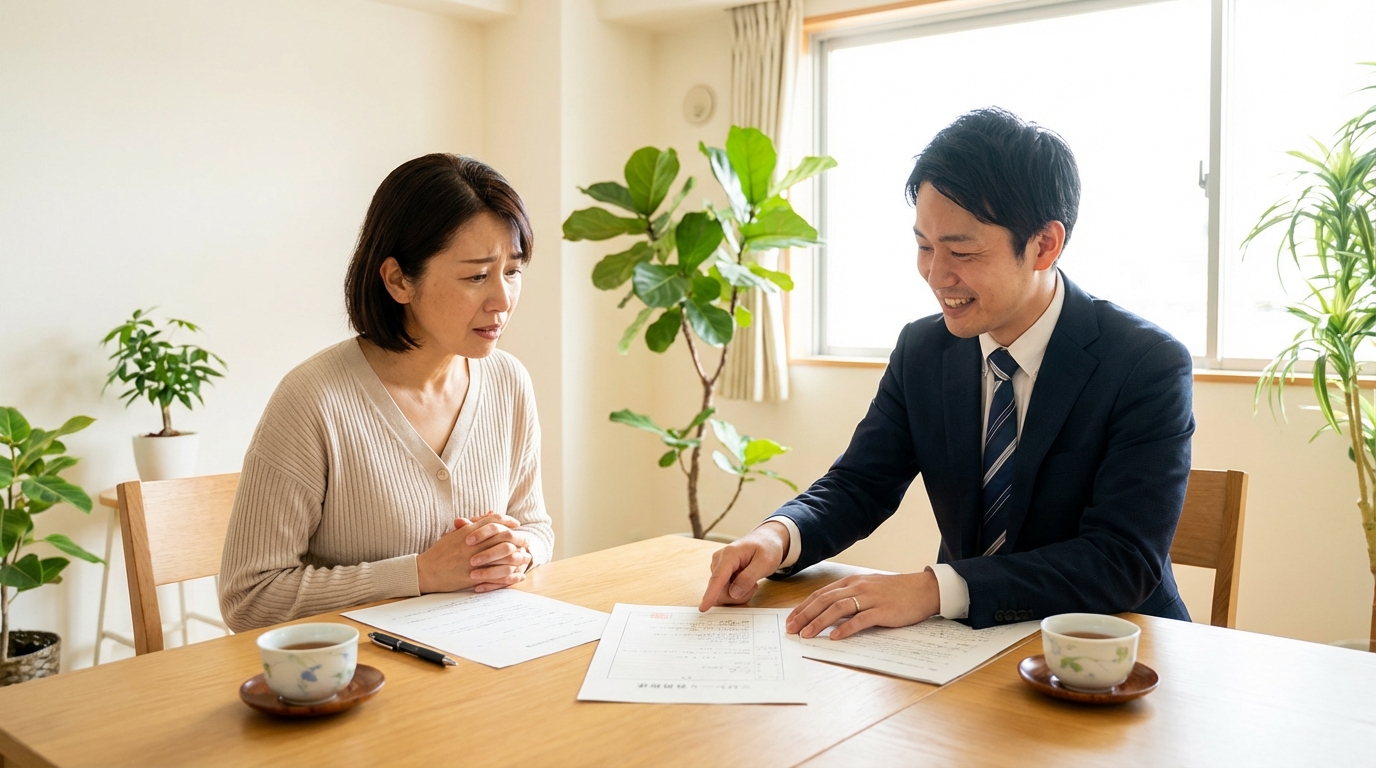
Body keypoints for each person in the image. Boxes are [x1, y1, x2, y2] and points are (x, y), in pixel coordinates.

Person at [699, 107, 1194, 640]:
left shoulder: (1145, 364)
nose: (936, 275)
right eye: (923, 246)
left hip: (1113, 649)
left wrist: (934, 588)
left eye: (961, 250)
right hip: (967, 647)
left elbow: (1120, 560)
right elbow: (861, 482)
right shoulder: (924, 349)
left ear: (1045, 245)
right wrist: (778, 536)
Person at [219, 154, 553, 631]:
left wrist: (522, 551)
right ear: (398, 280)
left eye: (513, 272)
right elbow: (249, 598)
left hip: (481, 671)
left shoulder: (509, 382)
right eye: (477, 276)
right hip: (361, 683)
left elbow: (535, 526)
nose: (502, 300)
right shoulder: (313, 401)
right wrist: (419, 574)